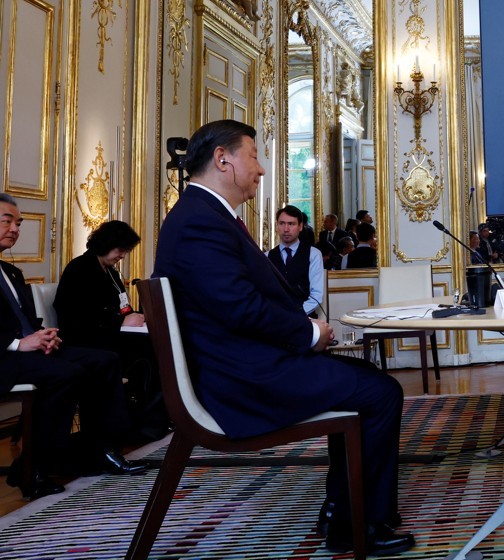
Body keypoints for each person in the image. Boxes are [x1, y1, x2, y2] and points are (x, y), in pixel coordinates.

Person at [153, 120, 412, 554]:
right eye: (253, 156)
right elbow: (239, 307)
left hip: (245, 364)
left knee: (365, 380)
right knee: (380, 392)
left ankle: (343, 506)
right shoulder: (201, 221)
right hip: (241, 380)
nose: (261, 169)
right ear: (223, 159)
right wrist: (310, 333)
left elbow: (242, 301)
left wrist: (307, 333)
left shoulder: (205, 215)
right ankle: (359, 524)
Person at [0, 195, 145, 500]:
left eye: (18, 223)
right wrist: (18, 343)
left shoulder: (11, 272)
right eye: (7, 221)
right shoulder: (82, 268)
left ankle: (104, 448)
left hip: (32, 349)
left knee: (105, 361)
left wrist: (43, 334)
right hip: (6, 355)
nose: (14, 229)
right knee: (67, 373)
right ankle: (34, 466)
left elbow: (25, 321)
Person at [54, 220, 167, 439]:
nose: (122, 255)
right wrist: (121, 322)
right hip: (87, 339)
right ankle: (140, 425)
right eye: (121, 249)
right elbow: (77, 315)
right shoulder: (79, 269)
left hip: (113, 335)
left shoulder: (112, 274)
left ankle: (151, 421)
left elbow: (123, 307)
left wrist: (134, 316)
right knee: (148, 355)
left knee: (158, 348)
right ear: (107, 243)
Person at [266, 205, 324, 316]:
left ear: (300, 226)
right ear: (277, 225)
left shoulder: (313, 254)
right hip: (276, 318)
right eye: (282, 223)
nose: (286, 229)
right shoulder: (267, 256)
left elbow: (316, 295)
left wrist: (294, 315)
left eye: (291, 224)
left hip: (305, 318)